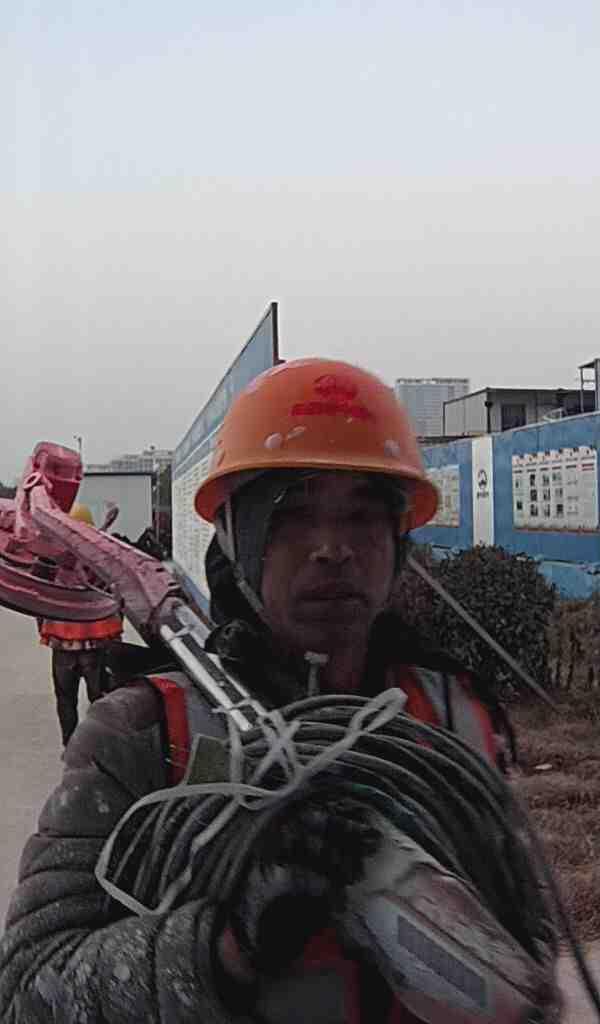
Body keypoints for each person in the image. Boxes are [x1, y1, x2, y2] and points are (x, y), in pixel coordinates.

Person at [0, 359, 553, 1022]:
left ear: (399, 539)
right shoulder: (144, 735)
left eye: (361, 515)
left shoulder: (454, 719)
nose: (332, 548)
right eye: (293, 515)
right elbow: (27, 991)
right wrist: (224, 945)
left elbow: (529, 936)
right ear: (237, 535)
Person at [38, 503, 124, 746]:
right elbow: (118, 595)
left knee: (65, 699)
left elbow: (38, 596)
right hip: (97, 639)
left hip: (62, 641)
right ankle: (100, 747)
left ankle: (70, 746)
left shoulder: (52, 557)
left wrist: (44, 628)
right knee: (101, 698)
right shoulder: (101, 555)